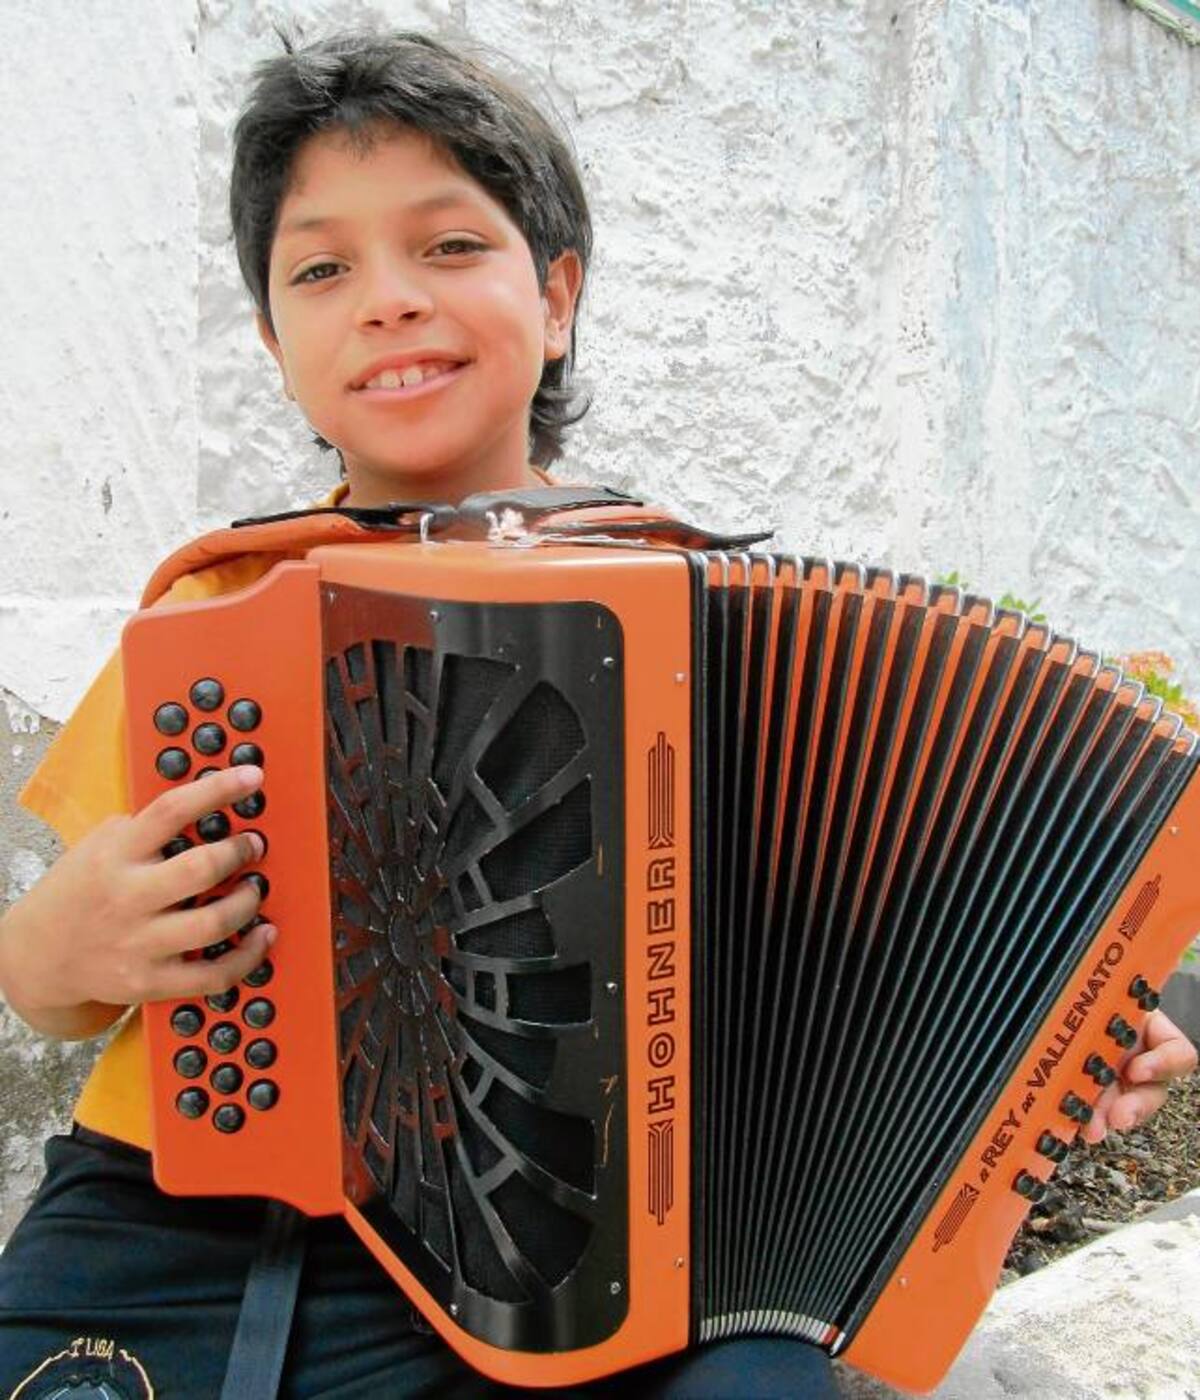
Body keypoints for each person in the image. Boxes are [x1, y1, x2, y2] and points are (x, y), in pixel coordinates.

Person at [0, 26, 1194, 1400]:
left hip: (580, 1257)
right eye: (322, 267)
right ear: (276, 344)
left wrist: (1062, 1044)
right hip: (198, 1223)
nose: (386, 299)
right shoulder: (224, 609)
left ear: (557, 295)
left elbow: (877, 959)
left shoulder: (690, 619)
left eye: (450, 246)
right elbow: (47, 985)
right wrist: (63, 937)